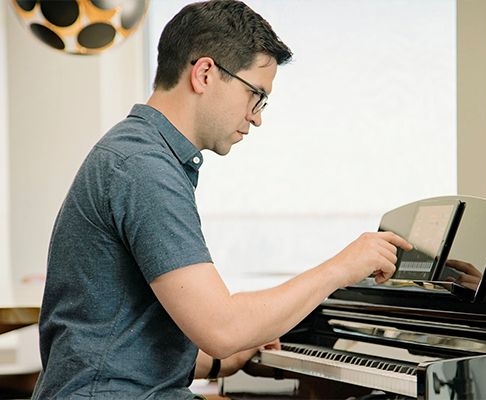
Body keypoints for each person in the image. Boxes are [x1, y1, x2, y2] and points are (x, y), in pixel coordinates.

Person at [32, 1, 411, 398]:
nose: (257, 116)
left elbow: (121, 344)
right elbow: (221, 327)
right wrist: (342, 267)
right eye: (255, 95)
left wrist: (223, 360)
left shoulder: (139, 155)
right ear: (205, 73)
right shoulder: (143, 167)